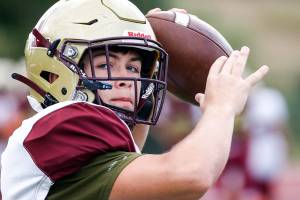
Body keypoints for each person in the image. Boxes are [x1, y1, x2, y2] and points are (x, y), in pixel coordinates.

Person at [0, 0, 269, 199]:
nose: (126, 81)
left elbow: (129, 156)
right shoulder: (66, 124)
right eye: (106, 65)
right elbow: (189, 174)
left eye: (133, 68)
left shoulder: (77, 149)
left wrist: (149, 36)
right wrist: (221, 106)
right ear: (58, 67)